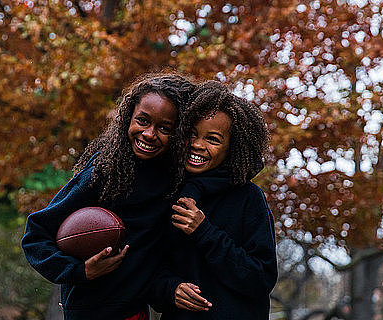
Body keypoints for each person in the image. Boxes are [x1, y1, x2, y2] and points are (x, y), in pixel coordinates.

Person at [22, 73, 195, 320]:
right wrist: (80, 271)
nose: (149, 133)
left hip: (134, 312)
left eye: (165, 128)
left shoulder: (177, 182)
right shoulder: (105, 171)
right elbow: (35, 235)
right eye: (142, 121)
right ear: (128, 118)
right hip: (88, 312)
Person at [150, 80, 278, 319]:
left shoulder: (248, 198)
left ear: (232, 148)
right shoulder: (165, 193)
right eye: (192, 134)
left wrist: (204, 232)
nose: (198, 145)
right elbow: (147, 271)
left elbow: (260, 278)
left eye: (213, 139)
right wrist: (169, 290)